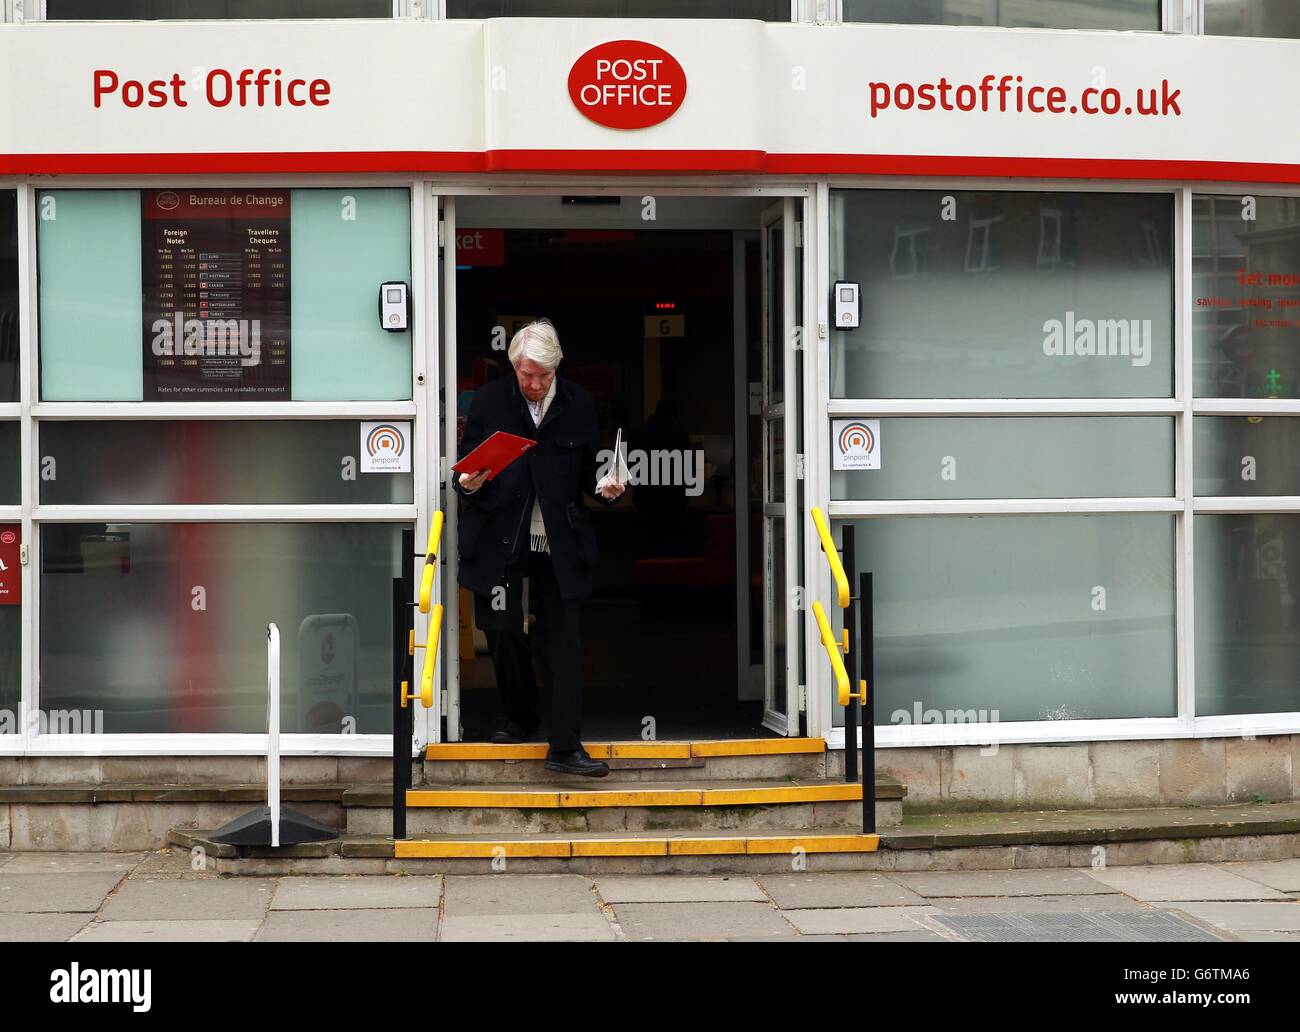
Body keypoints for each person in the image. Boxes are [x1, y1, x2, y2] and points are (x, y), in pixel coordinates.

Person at [452, 319, 624, 777]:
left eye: (542, 376)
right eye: (526, 375)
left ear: (557, 368)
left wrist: (606, 486)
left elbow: (590, 471)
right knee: (503, 628)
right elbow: (465, 473)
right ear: (514, 366)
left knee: (562, 639)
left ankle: (565, 747)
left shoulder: (579, 404)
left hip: (558, 539)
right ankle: (520, 716)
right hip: (498, 536)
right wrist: (467, 484)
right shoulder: (489, 402)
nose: (533, 384)